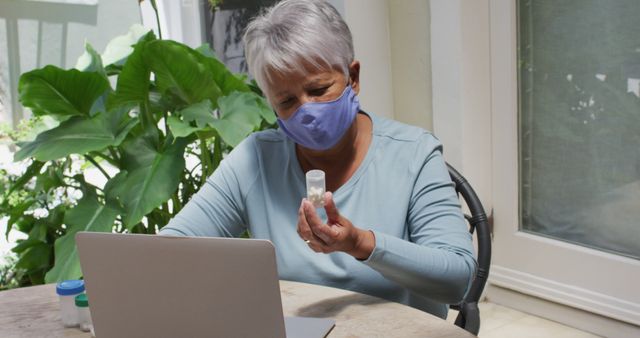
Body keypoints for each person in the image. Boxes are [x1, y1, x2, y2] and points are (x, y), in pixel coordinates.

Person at [159, 0, 476, 319]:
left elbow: (457, 279)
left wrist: (361, 244)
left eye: (318, 89)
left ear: (352, 77)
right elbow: (169, 252)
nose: (306, 110)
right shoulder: (255, 159)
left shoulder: (413, 154)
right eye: (286, 101)